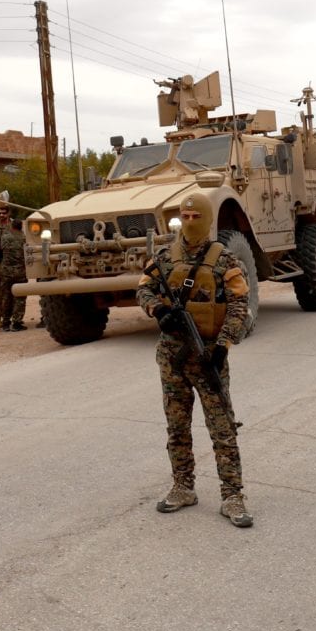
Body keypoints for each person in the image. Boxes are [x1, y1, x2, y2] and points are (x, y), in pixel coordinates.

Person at [136, 192, 253, 528]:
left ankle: (232, 495)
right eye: (184, 217)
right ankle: (183, 487)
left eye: (195, 217)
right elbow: (144, 288)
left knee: (222, 427)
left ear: (207, 218)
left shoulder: (224, 259)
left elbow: (237, 305)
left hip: (208, 355)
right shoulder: (164, 256)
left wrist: (224, 345)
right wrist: (157, 310)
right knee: (177, 426)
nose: (189, 223)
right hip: (172, 356)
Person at [0, 219, 28, 331]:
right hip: (20, 272)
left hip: (6, 272)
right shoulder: (24, 238)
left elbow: (0, 249)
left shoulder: (5, 237)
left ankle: (6, 322)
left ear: (12, 226)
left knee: (7, 296)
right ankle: (17, 322)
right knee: (20, 297)